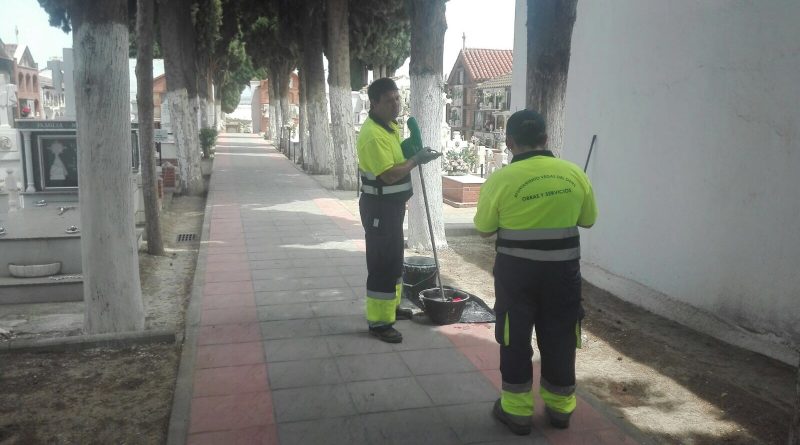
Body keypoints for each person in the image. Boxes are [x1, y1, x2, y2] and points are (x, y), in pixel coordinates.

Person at [473, 109, 597, 434]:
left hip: (517, 277)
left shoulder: (500, 179)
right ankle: (560, 410)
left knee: (514, 338)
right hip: (563, 277)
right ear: (545, 138)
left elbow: (484, 229)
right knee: (560, 337)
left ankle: (516, 412)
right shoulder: (574, 174)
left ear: (509, 141)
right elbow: (588, 220)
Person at [357, 78, 440, 343]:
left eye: (397, 98)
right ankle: (380, 323)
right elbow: (389, 175)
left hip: (391, 208)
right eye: (389, 100)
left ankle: (391, 307)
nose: (396, 104)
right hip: (379, 208)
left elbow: (395, 160)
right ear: (374, 103)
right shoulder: (373, 134)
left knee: (394, 260)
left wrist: (409, 150)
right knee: (381, 264)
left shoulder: (389, 128)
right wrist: (416, 160)